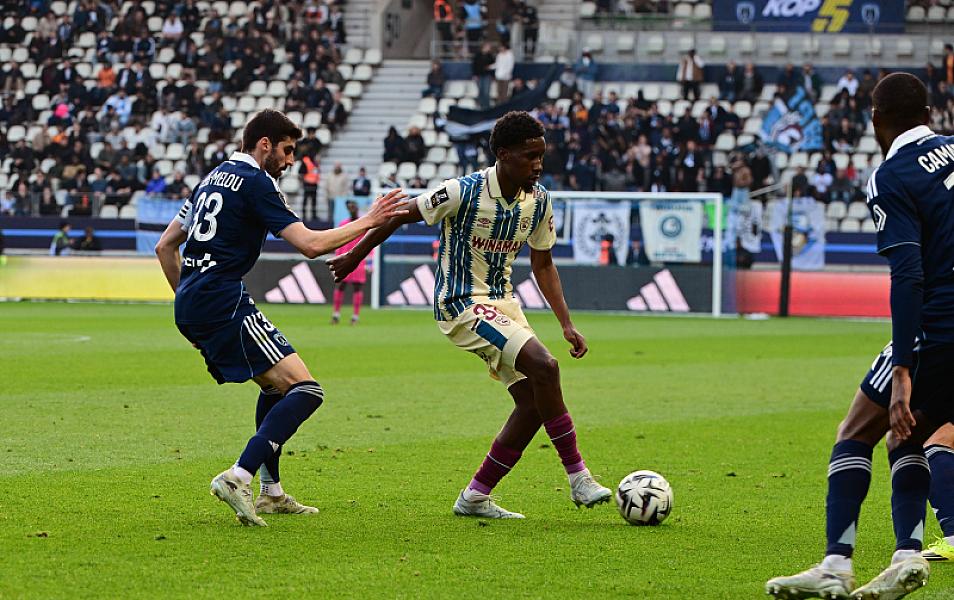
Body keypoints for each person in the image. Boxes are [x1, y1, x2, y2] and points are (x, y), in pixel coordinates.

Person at [328, 111, 612, 519]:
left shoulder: (539, 201)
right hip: (460, 303)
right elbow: (398, 215)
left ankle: (475, 496)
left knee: (534, 403)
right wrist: (355, 254)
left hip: (504, 304)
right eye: (530, 156)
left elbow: (543, 263)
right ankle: (579, 478)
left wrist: (566, 323)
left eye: (541, 156)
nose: (538, 165)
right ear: (503, 154)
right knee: (546, 367)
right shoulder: (462, 191)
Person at [153, 109, 408, 527]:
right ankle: (238, 475)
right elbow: (310, 245)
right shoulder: (256, 182)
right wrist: (371, 220)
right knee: (307, 391)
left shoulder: (210, 179)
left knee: (275, 387)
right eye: (287, 151)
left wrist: (189, 303)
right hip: (222, 298)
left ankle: (271, 493)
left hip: (191, 301)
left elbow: (165, 247)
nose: (290, 161)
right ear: (264, 144)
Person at [766, 73, 954, 599]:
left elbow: (908, 274)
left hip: (937, 325)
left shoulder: (891, 176)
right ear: (929, 114)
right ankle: (906, 555)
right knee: (907, 435)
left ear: (874, 120)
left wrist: (903, 368)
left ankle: (835, 565)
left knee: (855, 430)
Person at [331, 200, 371, 325]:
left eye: (353, 206)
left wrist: (370, 262)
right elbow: (338, 243)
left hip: (359, 261)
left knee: (357, 287)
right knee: (340, 285)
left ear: (357, 208)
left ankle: (355, 316)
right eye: (349, 207)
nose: (352, 209)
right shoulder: (344, 224)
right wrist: (336, 261)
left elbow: (370, 242)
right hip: (345, 259)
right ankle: (336, 314)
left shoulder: (363, 224)